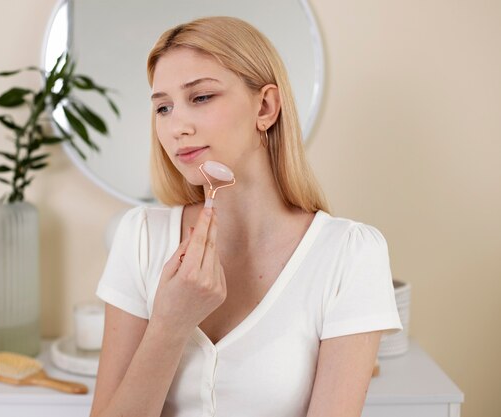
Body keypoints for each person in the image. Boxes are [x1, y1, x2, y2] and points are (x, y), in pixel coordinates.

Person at [90, 16, 402, 417]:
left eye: (200, 97)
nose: (176, 127)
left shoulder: (350, 255)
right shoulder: (140, 239)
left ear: (266, 106)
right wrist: (170, 323)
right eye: (163, 107)